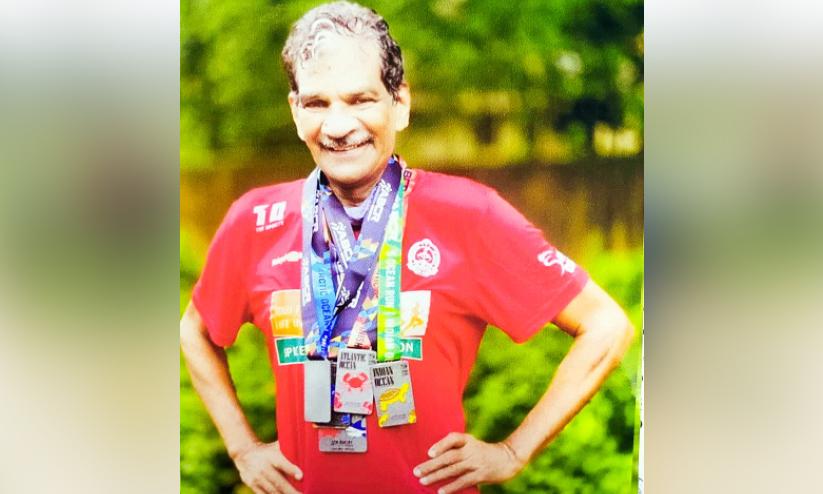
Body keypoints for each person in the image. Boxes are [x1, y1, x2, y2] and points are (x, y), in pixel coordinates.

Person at [180, 2, 635, 493]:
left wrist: (513, 451)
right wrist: (242, 448)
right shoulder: (256, 220)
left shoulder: (468, 214)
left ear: (400, 103)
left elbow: (606, 326)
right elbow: (196, 331)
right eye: (317, 103)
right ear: (295, 112)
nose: (338, 126)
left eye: (360, 99)